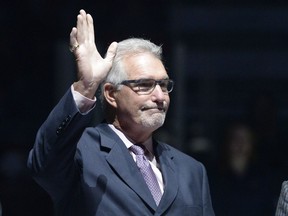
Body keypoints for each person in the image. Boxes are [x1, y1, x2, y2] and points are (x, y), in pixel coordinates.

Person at [27, 9, 215, 216]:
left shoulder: (191, 171)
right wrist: (86, 85)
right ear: (110, 94)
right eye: (145, 85)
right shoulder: (82, 151)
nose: (160, 97)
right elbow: (43, 163)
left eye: (163, 85)